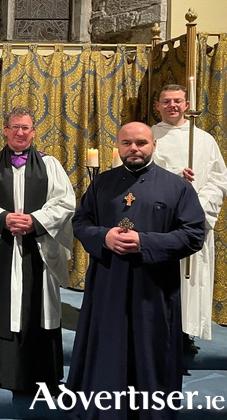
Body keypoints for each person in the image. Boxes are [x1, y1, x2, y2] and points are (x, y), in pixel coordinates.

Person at [67, 122, 205, 420]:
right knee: (108, 350)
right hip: (108, 285)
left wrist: (145, 241)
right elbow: (80, 222)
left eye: (141, 143)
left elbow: (194, 234)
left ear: (154, 145)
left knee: (151, 352)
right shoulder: (102, 183)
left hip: (153, 288)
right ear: (118, 146)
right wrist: (103, 237)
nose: (134, 149)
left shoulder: (177, 187)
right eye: (126, 143)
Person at [0, 105, 75, 393]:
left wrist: (34, 220)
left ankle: (41, 373)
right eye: (14, 127)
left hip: (36, 248)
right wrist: (4, 219)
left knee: (37, 307)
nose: (20, 132)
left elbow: (65, 202)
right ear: (5, 130)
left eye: (25, 127)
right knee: (0, 303)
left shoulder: (50, 165)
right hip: (1, 245)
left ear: (34, 131)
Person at [151, 84, 227, 347]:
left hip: (193, 221)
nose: (173, 106)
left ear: (186, 105)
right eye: (167, 101)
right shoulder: (148, 137)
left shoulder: (203, 140)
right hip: (160, 223)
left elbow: (218, 181)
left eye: (178, 101)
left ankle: (185, 334)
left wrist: (195, 204)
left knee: (191, 279)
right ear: (157, 106)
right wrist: (174, 184)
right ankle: (157, 330)